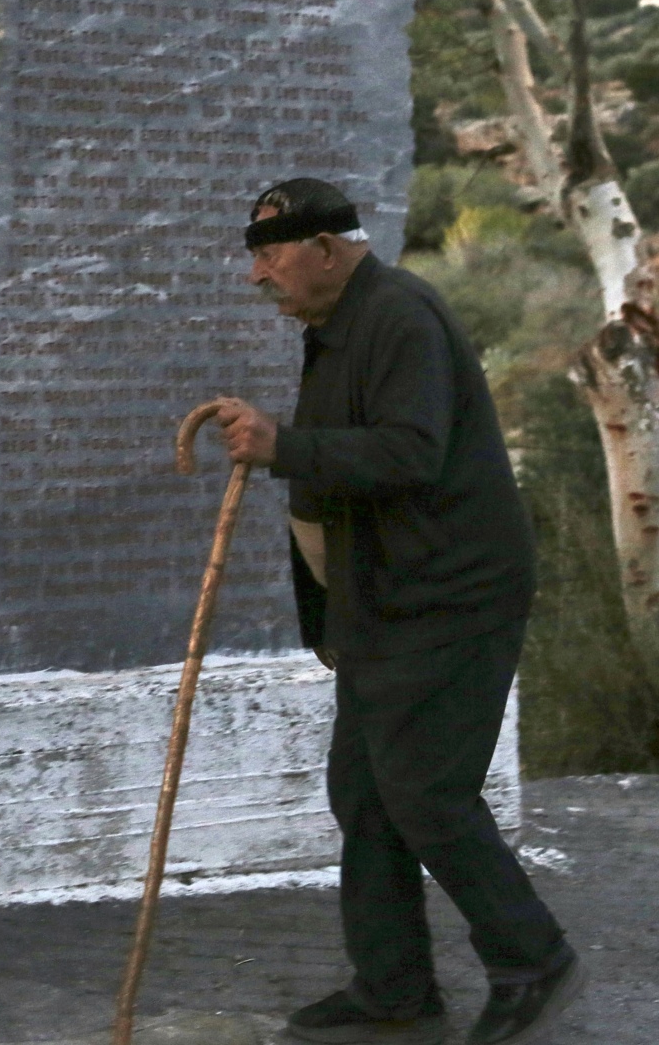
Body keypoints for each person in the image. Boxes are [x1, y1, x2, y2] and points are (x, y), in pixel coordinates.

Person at [215, 178, 585, 1045]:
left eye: (270, 255)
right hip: (386, 601)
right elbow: (342, 469)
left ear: (326, 250)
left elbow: (410, 454)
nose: (257, 276)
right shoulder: (338, 326)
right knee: (367, 793)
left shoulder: (400, 317)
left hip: (451, 595)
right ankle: (394, 991)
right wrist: (330, 613)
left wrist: (280, 445)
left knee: (426, 791)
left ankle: (533, 960)